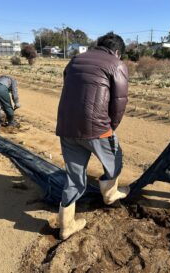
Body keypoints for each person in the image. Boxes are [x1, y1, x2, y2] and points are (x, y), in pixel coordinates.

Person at [56, 32, 130, 239]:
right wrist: (111, 127)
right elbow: (120, 101)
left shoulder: (74, 61)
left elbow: (70, 87)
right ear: (117, 52)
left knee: (73, 176)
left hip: (66, 126)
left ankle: (66, 226)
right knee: (114, 160)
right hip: (96, 128)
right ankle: (110, 194)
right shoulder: (116, 64)